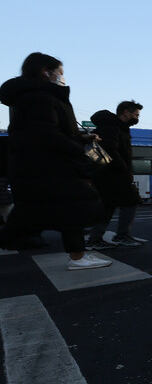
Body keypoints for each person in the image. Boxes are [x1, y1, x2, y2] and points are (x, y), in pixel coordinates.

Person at [0, 53, 110, 270]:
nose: (62, 77)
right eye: (59, 72)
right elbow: (46, 134)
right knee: (72, 209)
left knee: (51, 212)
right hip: (50, 166)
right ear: (45, 72)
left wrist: (80, 137)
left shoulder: (34, 96)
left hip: (40, 167)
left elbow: (46, 131)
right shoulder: (40, 97)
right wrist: (79, 148)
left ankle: (78, 256)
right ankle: (78, 257)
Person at [86, 100, 143, 249]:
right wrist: (123, 167)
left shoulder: (117, 127)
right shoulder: (112, 127)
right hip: (113, 174)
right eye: (136, 114)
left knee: (107, 206)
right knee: (131, 201)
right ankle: (121, 236)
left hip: (108, 175)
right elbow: (110, 150)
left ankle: (96, 239)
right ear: (126, 112)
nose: (137, 118)